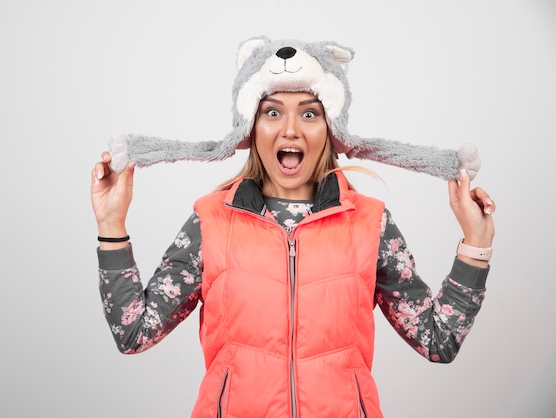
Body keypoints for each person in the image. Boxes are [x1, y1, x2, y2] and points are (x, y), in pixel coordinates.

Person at [91, 39, 495, 418]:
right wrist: (112, 226)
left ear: (331, 131)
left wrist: (475, 245)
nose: (290, 129)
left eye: (309, 112)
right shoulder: (210, 221)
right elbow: (135, 332)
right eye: (272, 111)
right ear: (250, 129)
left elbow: (438, 341)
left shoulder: (370, 223)